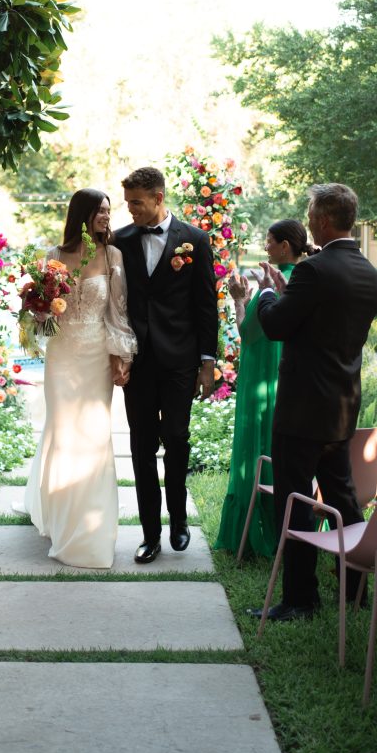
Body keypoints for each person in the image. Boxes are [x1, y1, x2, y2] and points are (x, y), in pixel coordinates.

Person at [249, 183, 377, 622]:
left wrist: (269, 293)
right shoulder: (368, 271)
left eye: (310, 214)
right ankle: (357, 588)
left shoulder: (313, 271)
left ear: (323, 220)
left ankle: (300, 600)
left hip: (303, 407)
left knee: (295, 499)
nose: (306, 222)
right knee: (343, 498)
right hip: (342, 405)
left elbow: (276, 326)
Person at [23, 188, 137, 568]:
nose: (107, 217)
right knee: (63, 432)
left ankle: (91, 530)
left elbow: (118, 312)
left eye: (109, 211)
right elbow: (38, 315)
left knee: (93, 435)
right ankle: (60, 516)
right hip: (62, 356)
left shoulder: (113, 256)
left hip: (95, 357)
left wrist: (122, 355)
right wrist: (37, 311)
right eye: (101, 211)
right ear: (82, 215)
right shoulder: (53, 257)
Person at [113, 167, 218, 564]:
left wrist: (206, 363)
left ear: (158, 198)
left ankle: (178, 519)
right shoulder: (120, 241)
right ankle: (150, 534)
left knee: (176, 437)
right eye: (127, 203)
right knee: (141, 446)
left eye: (137, 203)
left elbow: (207, 305)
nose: (131, 210)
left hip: (180, 361)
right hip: (137, 362)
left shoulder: (194, 240)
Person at [214, 220, 315, 557]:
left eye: (270, 241)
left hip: (264, 378)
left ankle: (256, 531)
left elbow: (249, 331)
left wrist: (240, 299)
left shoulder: (274, 285)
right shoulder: (306, 281)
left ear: (285, 246)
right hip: (292, 380)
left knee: (260, 445)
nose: (266, 246)